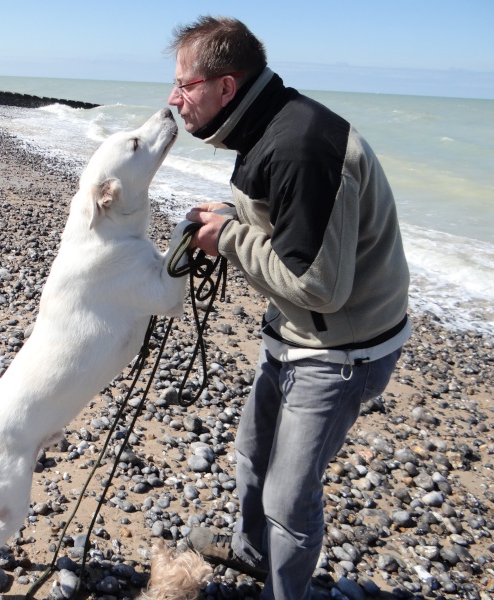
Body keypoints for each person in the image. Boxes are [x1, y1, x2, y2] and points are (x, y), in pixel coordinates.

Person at [166, 16, 411, 600]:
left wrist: (227, 239)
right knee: (252, 457)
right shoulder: (262, 125)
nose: (174, 100)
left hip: (340, 348)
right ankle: (253, 557)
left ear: (227, 87)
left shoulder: (300, 146)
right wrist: (230, 218)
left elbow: (320, 288)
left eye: (186, 85)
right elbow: (281, 224)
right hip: (294, 331)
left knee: (287, 499)